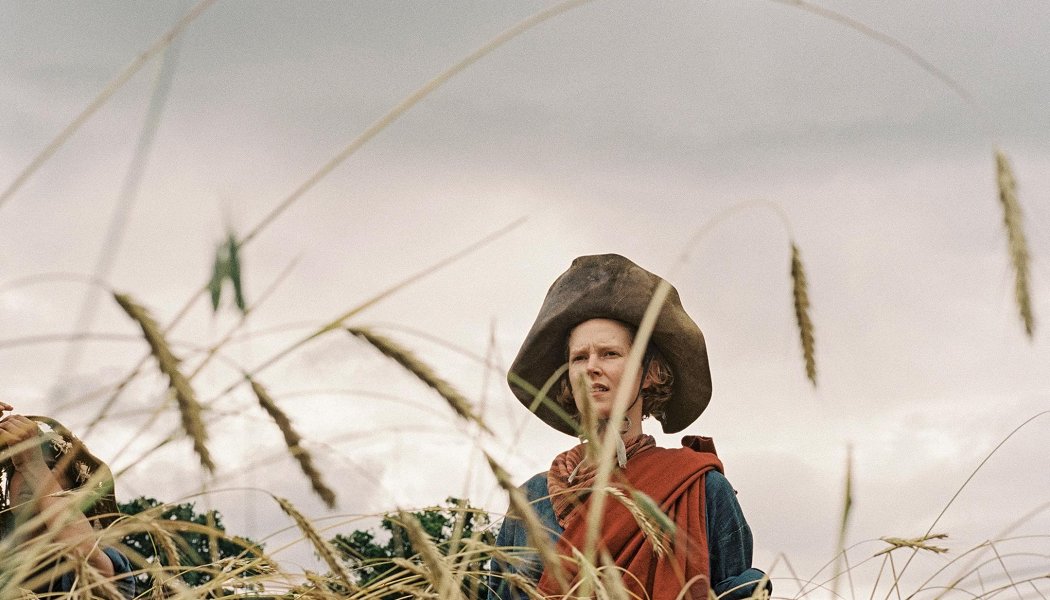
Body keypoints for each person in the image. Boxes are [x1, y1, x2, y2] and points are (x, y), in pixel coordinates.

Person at [489, 254, 770, 600]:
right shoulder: (531, 501)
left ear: (651, 373)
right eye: (579, 357)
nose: (591, 367)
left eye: (610, 354)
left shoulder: (702, 488)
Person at [0, 402, 136, 598]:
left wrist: (31, 463)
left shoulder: (102, 555)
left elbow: (85, 554)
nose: (25, 475)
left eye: (49, 467)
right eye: (17, 467)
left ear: (74, 493)